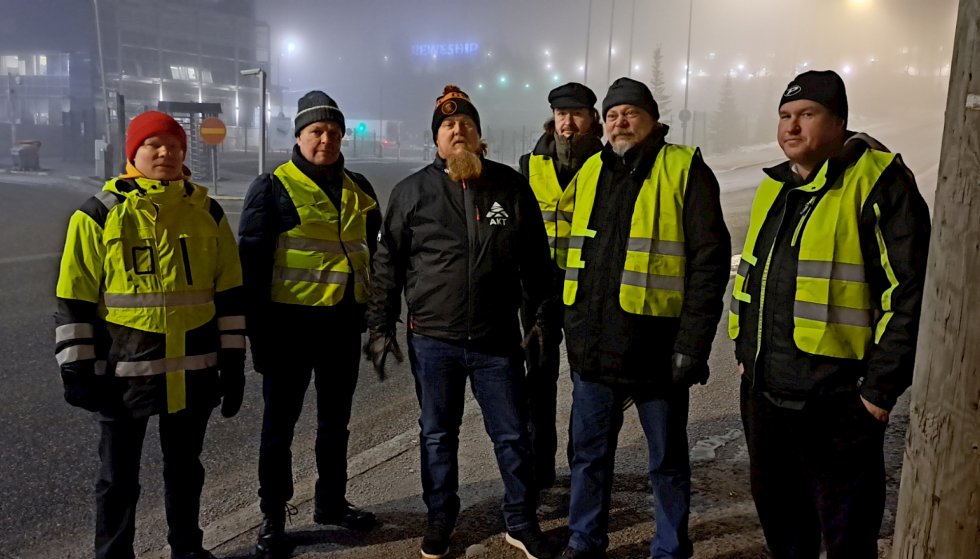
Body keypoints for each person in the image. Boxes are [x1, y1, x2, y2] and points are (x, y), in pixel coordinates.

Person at [729, 70, 931, 559]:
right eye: (784, 116)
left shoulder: (880, 182)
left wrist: (879, 392)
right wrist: (745, 355)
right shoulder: (774, 188)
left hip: (837, 400)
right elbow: (755, 281)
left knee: (847, 534)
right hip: (767, 394)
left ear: (839, 121)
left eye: (806, 115)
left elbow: (910, 293)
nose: (790, 128)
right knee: (782, 523)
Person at [365, 85, 558, 559]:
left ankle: (520, 518)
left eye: (466, 123)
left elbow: (536, 260)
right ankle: (440, 519)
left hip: (497, 342)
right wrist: (380, 324)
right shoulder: (412, 192)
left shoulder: (509, 187)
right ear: (437, 140)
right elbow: (387, 262)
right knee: (436, 436)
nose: (458, 130)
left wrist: (539, 320)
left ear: (478, 135)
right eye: (448, 126)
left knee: (513, 434)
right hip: (434, 342)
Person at [55, 110, 246, 559]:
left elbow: (230, 296)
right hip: (122, 376)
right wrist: (76, 366)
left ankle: (187, 549)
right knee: (117, 479)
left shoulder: (207, 212)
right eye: (153, 145)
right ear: (132, 153)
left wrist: (234, 364)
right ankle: (114, 554)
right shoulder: (98, 215)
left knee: (185, 470)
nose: (165, 153)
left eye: (175, 146)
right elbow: (74, 299)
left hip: (194, 372)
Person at [555, 77, 731, 559]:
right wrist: (570, 327)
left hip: (658, 349)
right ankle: (584, 538)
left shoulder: (684, 168)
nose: (619, 122)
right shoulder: (590, 171)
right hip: (594, 349)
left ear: (652, 119)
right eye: (612, 115)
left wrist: (692, 345)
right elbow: (575, 254)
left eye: (630, 112)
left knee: (667, 461)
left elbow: (709, 263)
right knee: (588, 457)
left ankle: (671, 547)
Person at [238, 91, 382, 559]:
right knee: (279, 429)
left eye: (334, 132)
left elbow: (370, 253)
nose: (326, 139)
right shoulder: (273, 187)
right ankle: (273, 518)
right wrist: (259, 337)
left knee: (335, 424)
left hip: (342, 326)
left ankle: (332, 503)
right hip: (288, 330)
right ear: (299, 136)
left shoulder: (359, 186)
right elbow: (252, 268)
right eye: (317, 131)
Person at [517, 82, 603, 489]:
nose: (568, 123)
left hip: (588, 293)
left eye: (576, 114)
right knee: (538, 383)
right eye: (561, 114)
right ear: (552, 118)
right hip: (538, 295)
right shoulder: (528, 164)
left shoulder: (608, 164)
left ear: (592, 118)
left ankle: (582, 468)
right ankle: (540, 470)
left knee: (587, 384)